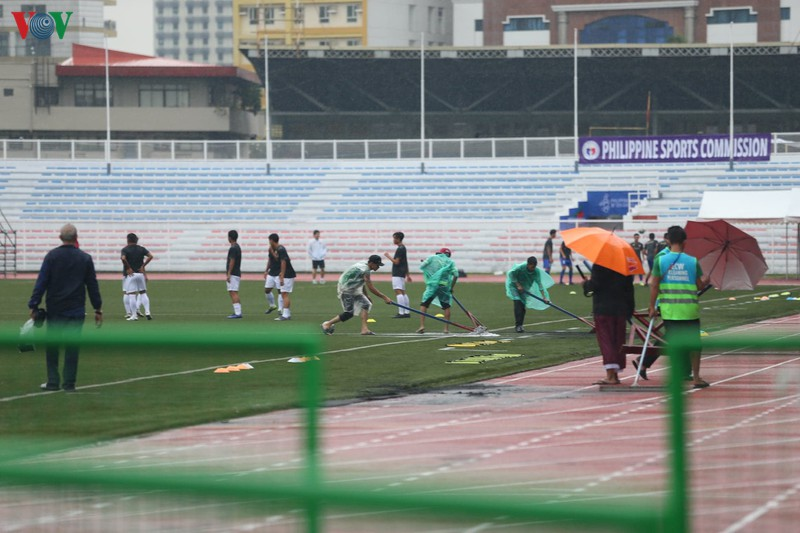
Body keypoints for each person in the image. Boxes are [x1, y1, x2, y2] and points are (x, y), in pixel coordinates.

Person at [27, 224, 103, 392]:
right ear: (76, 238)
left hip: (55, 309)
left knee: (52, 347)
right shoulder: (85, 258)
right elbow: (92, 285)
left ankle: (53, 381)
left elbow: (42, 282)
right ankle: (69, 384)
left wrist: (33, 304)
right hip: (76, 310)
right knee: (72, 348)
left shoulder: (52, 256)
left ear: (60, 237)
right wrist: (97, 308)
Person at [645, 225, 709, 389]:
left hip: (670, 311)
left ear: (668, 240)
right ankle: (696, 377)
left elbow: (654, 285)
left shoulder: (661, 260)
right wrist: (707, 279)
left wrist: (652, 307)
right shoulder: (693, 261)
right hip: (689, 311)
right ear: (684, 242)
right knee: (694, 346)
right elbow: (700, 286)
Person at [583, 263, 635, 385]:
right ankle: (615, 374)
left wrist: (586, 284)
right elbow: (629, 289)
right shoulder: (624, 265)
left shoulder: (600, 264)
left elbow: (594, 285)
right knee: (618, 342)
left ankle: (610, 375)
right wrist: (630, 310)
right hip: (621, 309)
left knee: (606, 341)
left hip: (603, 308)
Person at [321, 255, 392, 335]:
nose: (378, 267)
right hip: (346, 288)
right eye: (377, 265)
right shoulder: (365, 270)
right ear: (371, 263)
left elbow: (361, 281)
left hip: (354, 288)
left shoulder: (364, 265)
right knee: (349, 313)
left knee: (366, 304)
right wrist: (385, 297)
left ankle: (364, 329)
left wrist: (366, 295)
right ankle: (327, 324)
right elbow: (371, 287)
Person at [505, 256, 552, 333]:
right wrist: (518, 285)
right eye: (532, 266)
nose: (533, 268)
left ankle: (520, 325)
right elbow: (511, 274)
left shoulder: (536, 272)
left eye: (534, 266)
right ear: (528, 264)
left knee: (523, 307)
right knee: (518, 303)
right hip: (514, 287)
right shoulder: (521, 268)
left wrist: (544, 297)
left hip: (524, 289)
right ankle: (518, 326)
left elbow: (540, 285)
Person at [417, 248, 458, 334]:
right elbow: (456, 275)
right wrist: (451, 287)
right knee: (446, 306)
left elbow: (422, 266)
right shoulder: (450, 262)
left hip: (433, 285)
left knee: (424, 303)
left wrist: (429, 269)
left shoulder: (432, 258)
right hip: (444, 286)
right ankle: (446, 329)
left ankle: (422, 326)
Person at [121, 233, 154, 321]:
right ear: (136, 240)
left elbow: (123, 258)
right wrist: (143, 266)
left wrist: (128, 268)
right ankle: (148, 312)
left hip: (131, 275)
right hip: (140, 274)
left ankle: (134, 315)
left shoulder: (125, 249)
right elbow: (150, 256)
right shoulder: (141, 248)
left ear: (127, 240)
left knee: (131, 295)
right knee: (143, 293)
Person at [384, 231, 412, 318]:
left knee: (398, 291)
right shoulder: (403, 248)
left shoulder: (400, 249)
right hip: (402, 272)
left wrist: (388, 256)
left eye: (395, 238)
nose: (393, 240)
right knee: (403, 292)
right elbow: (405, 262)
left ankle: (401, 312)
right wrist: (407, 275)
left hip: (397, 272)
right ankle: (407, 312)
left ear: (398, 239)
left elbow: (396, 262)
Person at [269, 233, 296, 321]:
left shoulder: (280, 249)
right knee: (284, 294)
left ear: (272, 241)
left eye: (269, 241)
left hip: (287, 274)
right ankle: (286, 314)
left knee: (284, 294)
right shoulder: (279, 249)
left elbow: (284, 261)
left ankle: (286, 315)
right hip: (287, 273)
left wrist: (282, 275)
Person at [226, 230, 243, 319]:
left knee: (233, 292)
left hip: (233, 273)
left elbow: (232, 261)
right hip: (236, 272)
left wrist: (229, 273)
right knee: (234, 292)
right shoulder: (237, 247)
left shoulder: (233, 248)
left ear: (230, 238)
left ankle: (238, 313)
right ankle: (238, 311)